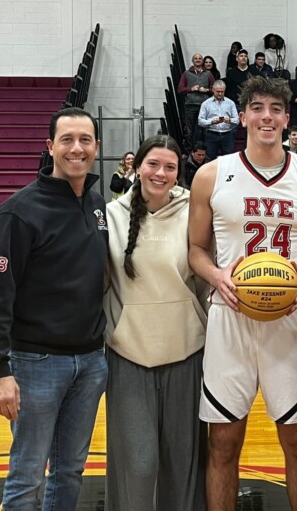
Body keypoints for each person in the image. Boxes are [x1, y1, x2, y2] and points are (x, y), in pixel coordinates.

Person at [188, 76, 297, 511]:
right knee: (224, 444)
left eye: (275, 108)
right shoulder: (211, 174)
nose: (266, 116)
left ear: (288, 119)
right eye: (257, 107)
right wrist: (216, 275)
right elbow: (195, 250)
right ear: (242, 115)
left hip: (290, 322)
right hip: (230, 320)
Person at [0, 107, 108, 509]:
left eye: (85, 140)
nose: (76, 148)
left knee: (70, 471)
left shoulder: (98, 205)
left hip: (89, 363)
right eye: (67, 139)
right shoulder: (19, 213)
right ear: (50, 146)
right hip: (36, 363)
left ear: (96, 147)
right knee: (28, 475)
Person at [104, 135, 208, 511]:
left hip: (187, 351)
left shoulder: (194, 212)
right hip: (128, 353)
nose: (160, 173)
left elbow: (203, 283)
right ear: (136, 166)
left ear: (179, 173)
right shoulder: (111, 215)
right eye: (153, 164)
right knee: (138, 463)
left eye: (170, 167)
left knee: (184, 464)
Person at [197, 80, 240, 161]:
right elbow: (200, 121)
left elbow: (237, 120)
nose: (220, 94)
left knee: (229, 160)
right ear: (213, 90)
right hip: (211, 134)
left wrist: (229, 120)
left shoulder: (230, 103)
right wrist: (211, 122)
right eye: (218, 92)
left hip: (227, 135)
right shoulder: (205, 104)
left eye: (222, 92)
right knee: (210, 160)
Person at [177, 53, 215, 144]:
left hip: (205, 105)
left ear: (202, 61)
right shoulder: (186, 74)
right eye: (195, 58)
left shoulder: (208, 74)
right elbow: (180, 89)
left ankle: (204, 151)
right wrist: (191, 89)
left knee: (205, 130)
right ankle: (190, 151)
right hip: (190, 106)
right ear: (192, 61)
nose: (198, 60)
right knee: (190, 130)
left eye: (199, 58)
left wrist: (206, 90)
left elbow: (214, 89)